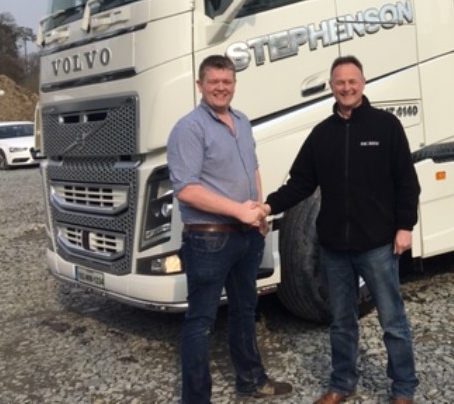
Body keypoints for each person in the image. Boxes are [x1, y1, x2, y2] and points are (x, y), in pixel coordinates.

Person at [260, 55, 420, 404]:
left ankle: (403, 388)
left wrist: (405, 226)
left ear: (362, 83)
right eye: (339, 82)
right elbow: (300, 183)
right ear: (331, 87)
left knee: (392, 322)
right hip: (333, 248)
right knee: (341, 323)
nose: (346, 88)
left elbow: (407, 182)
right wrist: (269, 206)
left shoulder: (386, 127)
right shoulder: (322, 134)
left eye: (352, 81)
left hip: (377, 245)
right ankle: (341, 384)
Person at [167, 54, 293, 403]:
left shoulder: (242, 121)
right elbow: (186, 189)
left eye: (227, 82)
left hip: (246, 236)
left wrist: (259, 211)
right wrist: (238, 210)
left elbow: (251, 168)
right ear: (200, 85)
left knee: (245, 310)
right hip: (209, 239)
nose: (221, 88)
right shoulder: (189, 128)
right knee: (201, 321)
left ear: (234, 85)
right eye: (214, 82)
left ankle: (250, 380)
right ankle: (196, 398)